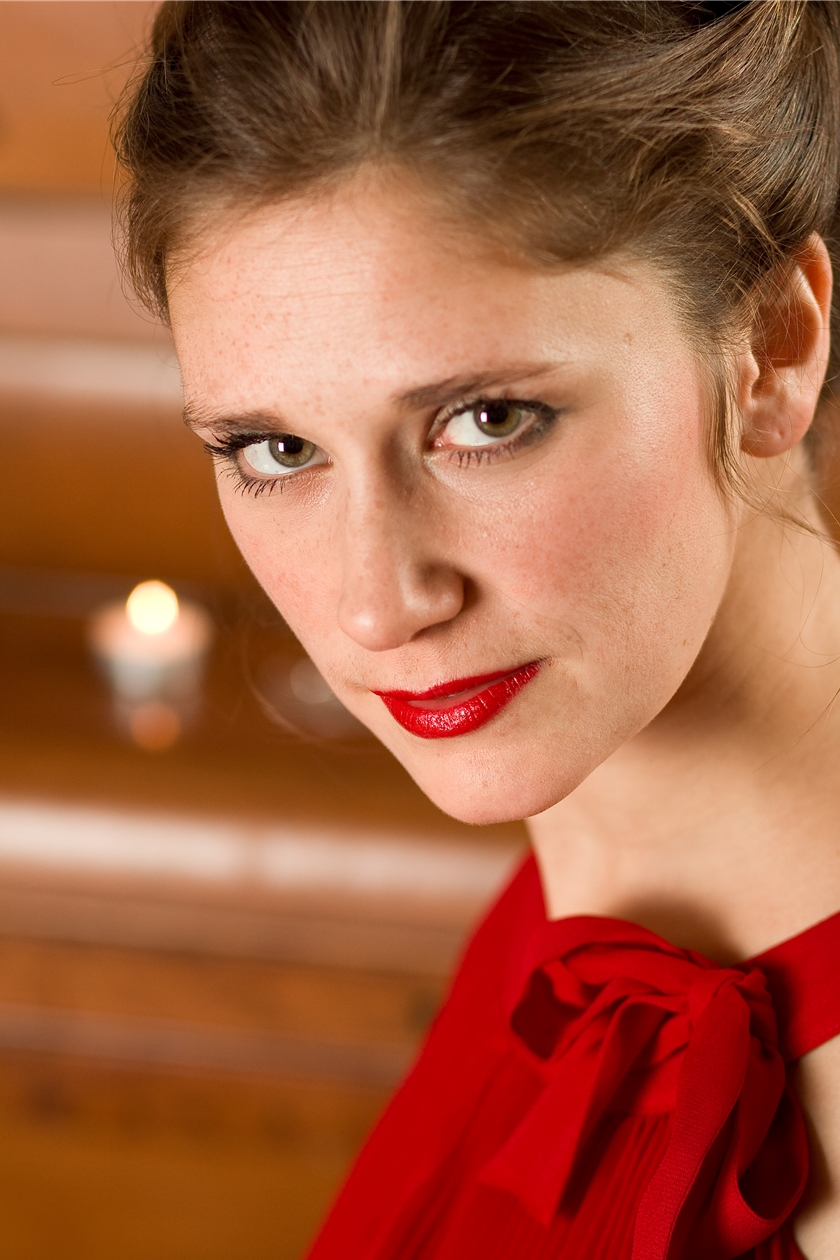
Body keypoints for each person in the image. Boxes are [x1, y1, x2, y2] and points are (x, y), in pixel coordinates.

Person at [114, 2, 840, 1256]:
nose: (376, 603)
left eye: (488, 421)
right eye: (276, 449)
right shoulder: (574, 892)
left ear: (771, 350)